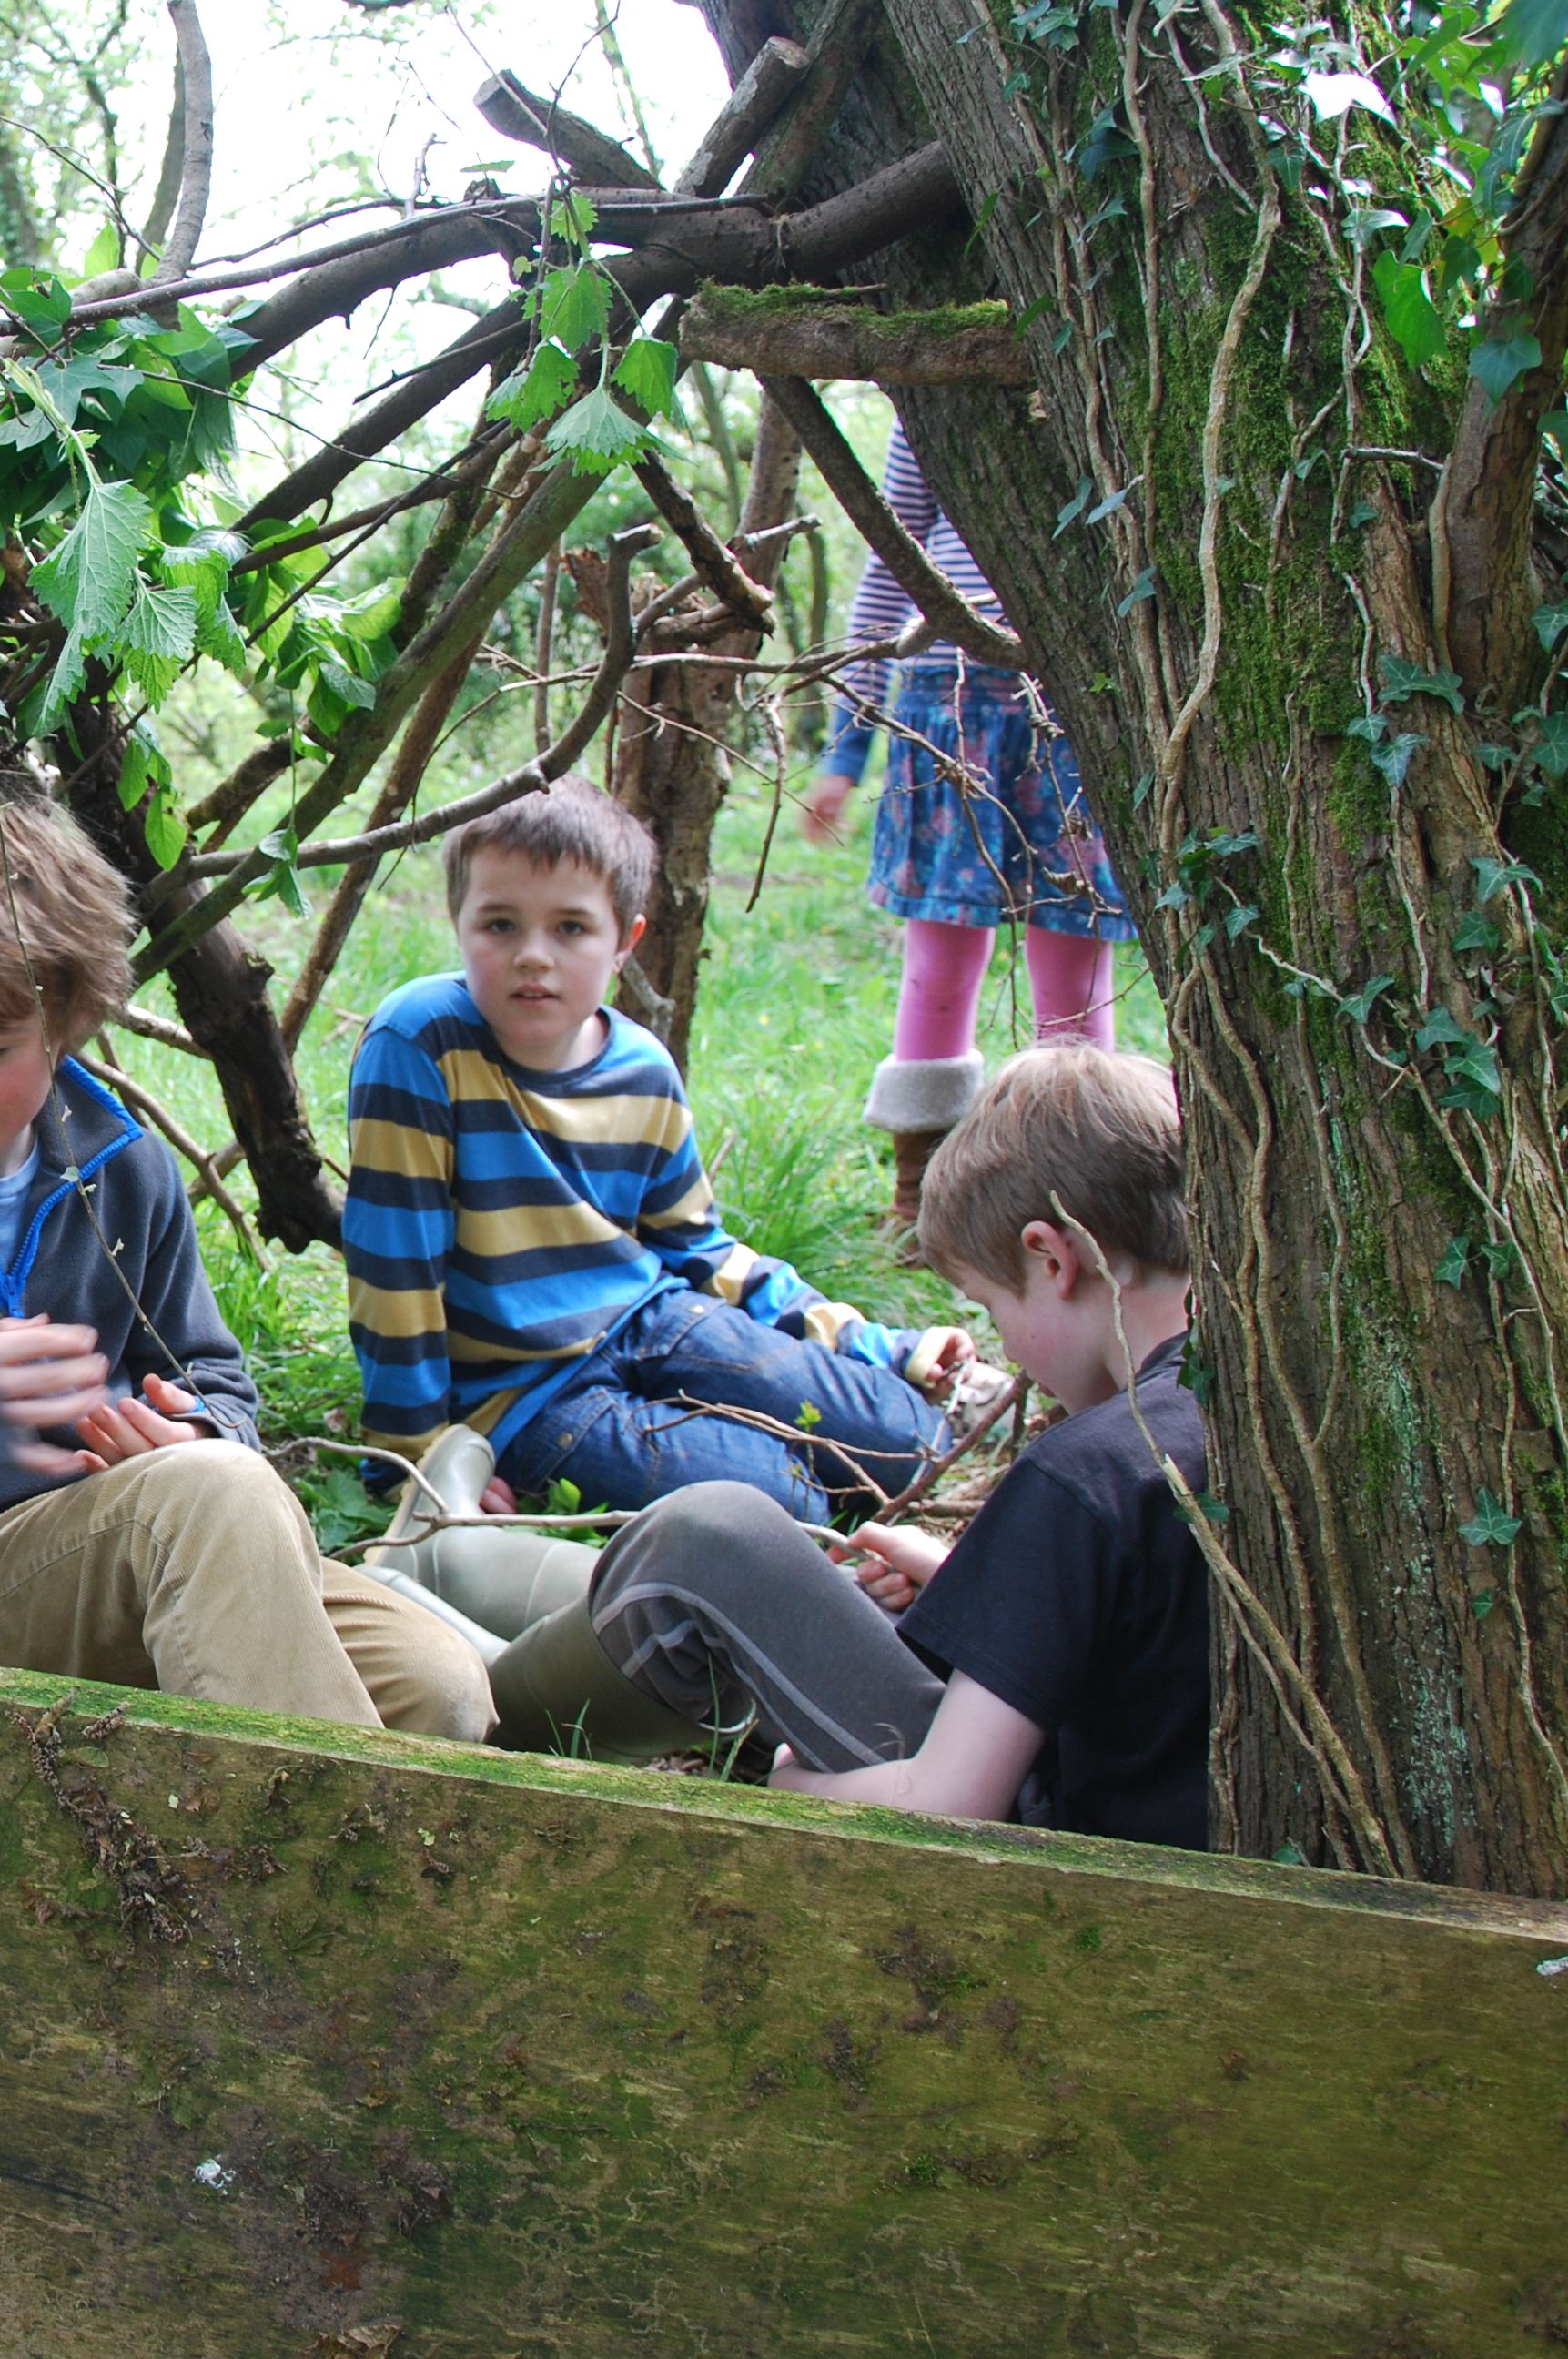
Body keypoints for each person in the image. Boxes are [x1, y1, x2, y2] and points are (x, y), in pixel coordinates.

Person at [0, 790, 492, 1741]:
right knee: (210, 1501)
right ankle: (293, 1869)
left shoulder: (123, 1169)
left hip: (135, 1546)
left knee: (436, 1687)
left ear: (65, 1023)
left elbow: (209, 1376)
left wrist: (193, 1430)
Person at [475, 1046, 1215, 1852]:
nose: (1004, 1342)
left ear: (1051, 1257)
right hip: (1108, 1808)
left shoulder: (1085, 1472)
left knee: (707, 1543)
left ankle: (457, 1714)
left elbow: (948, 1806)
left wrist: (795, 1787)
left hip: (1043, 1857)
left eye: (992, 1306)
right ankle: (449, 1617)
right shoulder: (1241, 1412)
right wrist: (987, 1589)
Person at [345, 782, 969, 1525]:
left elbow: (700, 1250)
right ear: (459, 924)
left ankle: (785, 1437)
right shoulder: (420, 1042)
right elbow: (395, 1266)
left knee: (911, 1441)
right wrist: (415, 1452)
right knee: (785, 1505)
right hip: (523, 1391)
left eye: (572, 928)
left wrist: (878, 1347)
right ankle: (763, 1472)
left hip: (653, 1320)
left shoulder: (641, 1066)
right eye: (500, 924)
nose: (532, 957)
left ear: (625, 942)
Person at [809, 421, 1136, 1234]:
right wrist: (846, 745)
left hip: (1074, 701)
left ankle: (1080, 1188)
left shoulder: (1097, 371)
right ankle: (924, 1197)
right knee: (942, 960)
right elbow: (892, 562)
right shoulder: (923, 399)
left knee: (1073, 963)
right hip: (944, 702)